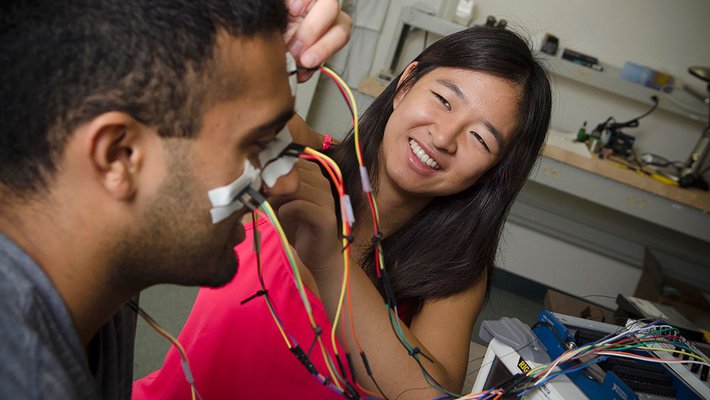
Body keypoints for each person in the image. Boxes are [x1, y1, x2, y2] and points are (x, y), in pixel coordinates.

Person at [133, 26, 552, 399]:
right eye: (443, 100)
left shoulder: (456, 269)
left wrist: (332, 260)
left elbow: (431, 393)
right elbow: (191, 82)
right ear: (405, 84)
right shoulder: (307, 158)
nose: (443, 137)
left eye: (480, 139)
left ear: (492, 172)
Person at [0, 0, 351, 399]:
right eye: (256, 144)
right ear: (120, 156)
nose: (286, 183)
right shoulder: (24, 379)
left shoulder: (92, 261)